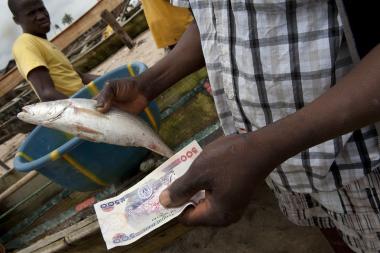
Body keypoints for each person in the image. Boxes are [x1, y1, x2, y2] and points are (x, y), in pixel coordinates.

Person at [96, 1, 380, 252]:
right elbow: (215, 20)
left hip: (360, 161)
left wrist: (264, 147)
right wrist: (148, 85)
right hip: (279, 170)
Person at [9, 0, 98, 101]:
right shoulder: (24, 44)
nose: (41, 16)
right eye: (31, 13)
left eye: (42, 9)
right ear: (17, 20)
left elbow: (79, 77)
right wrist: (86, 109)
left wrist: (110, 79)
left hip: (88, 100)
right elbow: (46, 93)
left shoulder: (44, 43)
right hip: (79, 110)